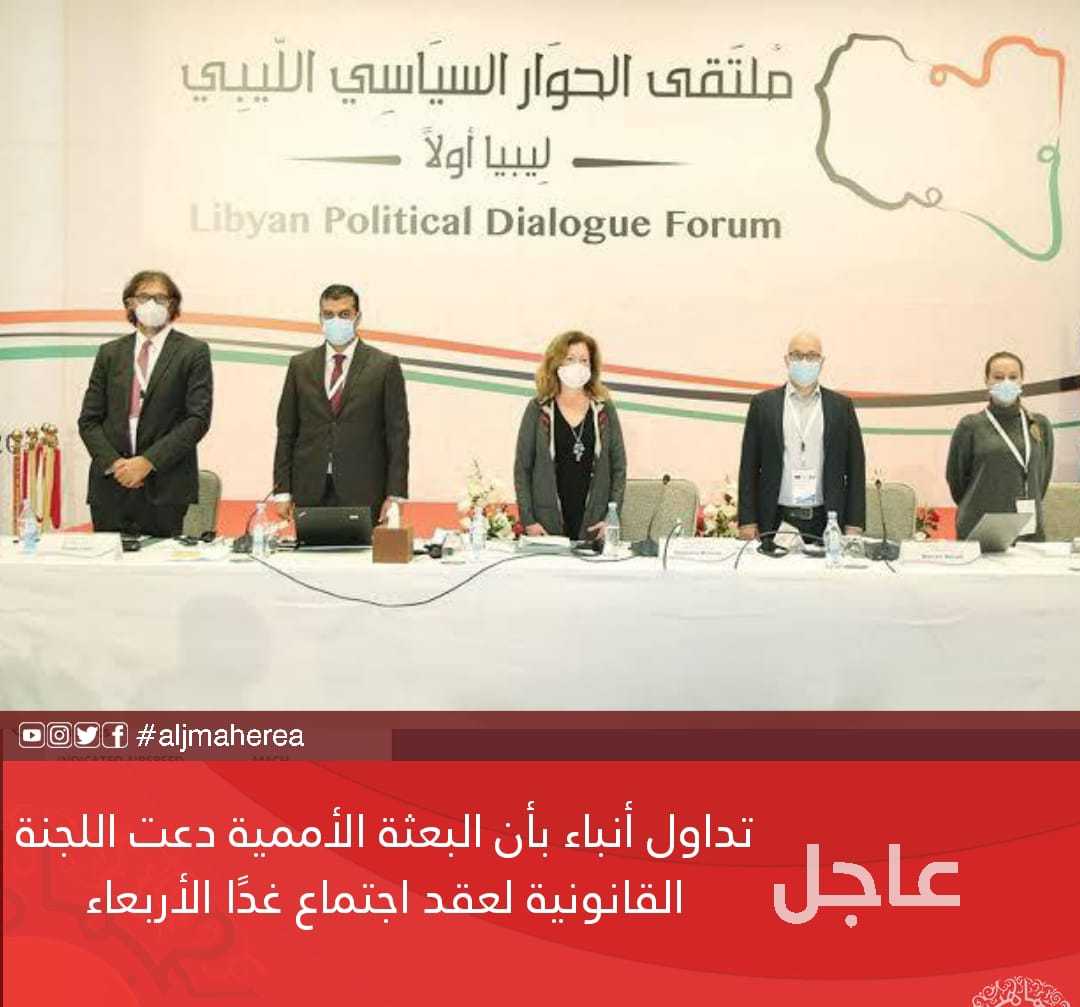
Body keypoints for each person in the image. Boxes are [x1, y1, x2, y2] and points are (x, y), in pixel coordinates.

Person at [77, 270, 213, 536]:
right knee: (107, 560)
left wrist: (148, 462)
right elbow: (89, 420)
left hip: (166, 487)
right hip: (111, 487)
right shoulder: (109, 353)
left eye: (160, 298)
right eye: (143, 297)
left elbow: (197, 420)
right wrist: (116, 465)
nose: (151, 304)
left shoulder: (193, 352)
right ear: (130, 303)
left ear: (173, 305)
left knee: (160, 562)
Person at [273, 284, 409, 523]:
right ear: (320, 318)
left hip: (365, 488)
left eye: (344, 314)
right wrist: (282, 490)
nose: (336, 320)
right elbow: (286, 431)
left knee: (362, 549)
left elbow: (397, 435)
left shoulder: (384, 366)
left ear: (358, 317)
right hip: (309, 488)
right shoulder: (300, 365)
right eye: (328, 314)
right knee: (310, 549)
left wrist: (395, 495)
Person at [737, 331, 865, 544]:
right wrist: (747, 521)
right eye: (797, 355)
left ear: (821, 362)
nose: (804, 361)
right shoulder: (763, 405)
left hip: (827, 520)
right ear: (787, 360)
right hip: (775, 519)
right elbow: (748, 467)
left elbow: (856, 468)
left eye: (812, 356)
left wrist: (854, 524)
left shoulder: (841, 407)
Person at [514, 331, 627, 540]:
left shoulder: (603, 408)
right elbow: (522, 469)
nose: (578, 366)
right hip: (547, 526)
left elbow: (618, 468)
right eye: (570, 359)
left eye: (584, 360)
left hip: (594, 525)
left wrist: (612, 518)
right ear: (556, 363)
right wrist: (528, 521)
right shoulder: (538, 408)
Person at [946, 350, 1054, 541]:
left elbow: (1042, 478)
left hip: (1028, 530)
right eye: (998, 377)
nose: (1006, 383)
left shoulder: (1039, 425)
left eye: (1013, 377)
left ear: (1022, 381)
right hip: (979, 529)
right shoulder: (971, 426)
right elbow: (957, 481)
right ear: (987, 381)